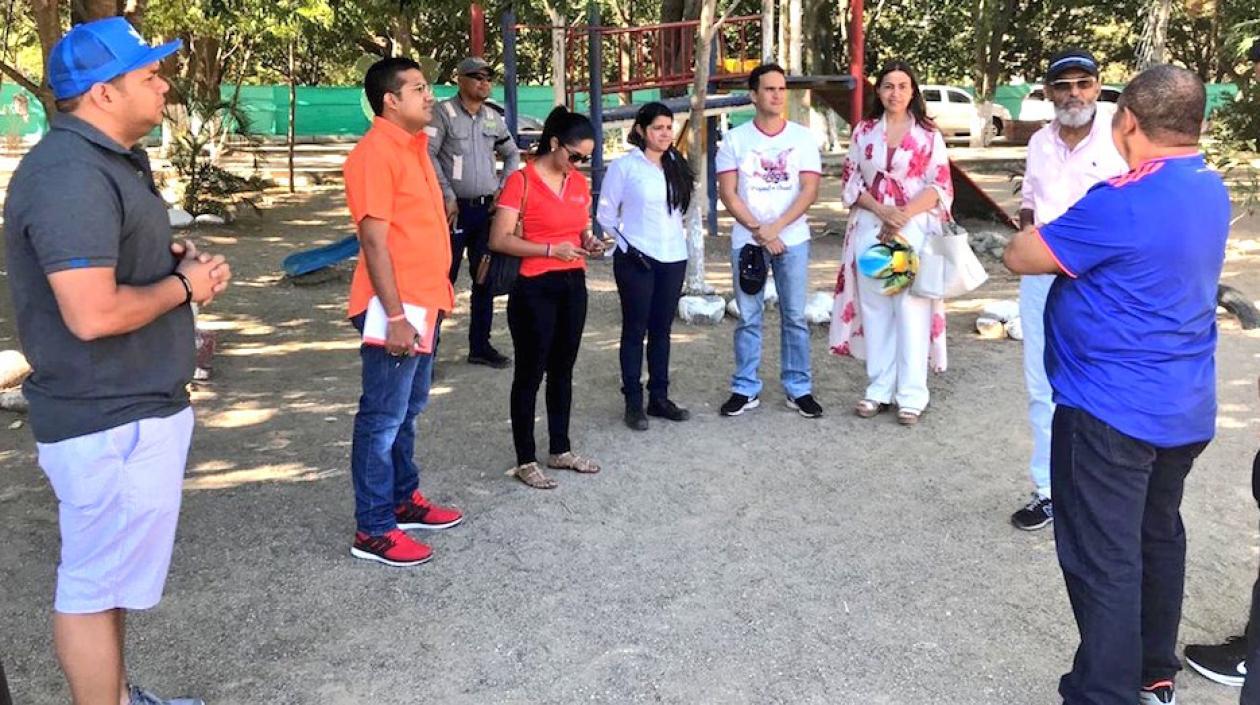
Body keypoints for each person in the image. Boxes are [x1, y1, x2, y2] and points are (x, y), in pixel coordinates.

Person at [2, 18, 231, 705]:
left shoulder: (109, 161)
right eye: (149, 75)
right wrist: (185, 288)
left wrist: (167, 262)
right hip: (105, 419)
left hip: (130, 411)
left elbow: (109, 264)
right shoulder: (69, 175)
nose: (164, 84)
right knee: (91, 588)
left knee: (110, 586)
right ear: (103, 93)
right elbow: (92, 312)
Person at [1003, 64, 1230, 705]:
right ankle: (1153, 675)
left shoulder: (1123, 199)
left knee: (1105, 559)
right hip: (1183, 408)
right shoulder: (1209, 187)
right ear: (1198, 124)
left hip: (1110, 411)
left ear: (1126, 121)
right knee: (1156, 537)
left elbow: (1023, 256)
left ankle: (1104, 693)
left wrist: (1034, 230)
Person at [343, 57, 464, 568]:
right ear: (390, 100)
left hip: (423, 302)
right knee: (382, 417)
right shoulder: (375, 153)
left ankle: (402, 498)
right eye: (418, 88)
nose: (429, 95)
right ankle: (373, 528)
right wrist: (394, 315)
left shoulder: (414, 148)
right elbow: (374, 240)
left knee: (407, 411)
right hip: (396, 308)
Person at [1009, 48, 1128, 531]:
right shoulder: (1039, 142)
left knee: (1108, 381)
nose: (1074, 93)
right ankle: (1049, 490)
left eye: (1083, 83)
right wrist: (1028, 239)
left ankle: (1105, 491)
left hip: (1104, 284)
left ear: (1098, 87)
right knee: (1042, 384)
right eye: (1064, 85)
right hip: (1044, 279)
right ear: (1049, 92)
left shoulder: (1123, 137)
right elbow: (1029, 205)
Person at [829, 60, 952, 426]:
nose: (894, 92)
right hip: (871, 225)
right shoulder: (864, 131)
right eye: (887, 86)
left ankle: (912, 394)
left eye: (902, 85)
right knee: (877, 308)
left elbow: (940, 185)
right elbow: (851, 182)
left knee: (911, 309)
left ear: (912, 90)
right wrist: (883, 212)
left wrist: (902, 215)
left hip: (912, 228)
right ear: (878, 92)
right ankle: (879, 387)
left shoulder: (929, 135)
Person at [490, 106, 605, 489]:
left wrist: (589, 241)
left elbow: (580, 228)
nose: (577, 165)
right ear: (554, 144)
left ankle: (560, 448)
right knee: (529, 372)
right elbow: (499, 239)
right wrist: (549, 250)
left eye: (585, 159)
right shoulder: (520, 183)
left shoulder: (577, 183)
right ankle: (525, 458)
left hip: (572, 283)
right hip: (533, 287)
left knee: (563, 369)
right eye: (574, 156)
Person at [715, 63, 823, 419]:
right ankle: (745, 388)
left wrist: (776, 228)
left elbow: (809, 190)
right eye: (769, 89)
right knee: (748, 316)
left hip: (792, 239)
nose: (777, 95)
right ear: (754, 95)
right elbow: (728, 193)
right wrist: (760, 230)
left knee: (794, 316)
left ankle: (799, 388)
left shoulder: (802, 138)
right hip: (748, 241)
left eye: (781, 89)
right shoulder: (735, 139)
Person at [596, 102, 693, 430]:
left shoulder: (676, 164)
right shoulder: (625, 167)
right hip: (637, 257)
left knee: (662, 330)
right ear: (641, 130)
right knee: (635, 329)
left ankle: (659, 397)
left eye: (669, 127)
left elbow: (682, 210)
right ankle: (633, 401)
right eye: (658, 128)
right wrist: (626, 245)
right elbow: (605, 216)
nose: (665, 133)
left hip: (673, 256)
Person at [428, 56, 521, 369]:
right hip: (454, 212)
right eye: (476, 77)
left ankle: (480, 347)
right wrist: (446, 194)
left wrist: (504, 188)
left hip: (485, 212)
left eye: (487, 77)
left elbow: (511, 154)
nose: (483, 82)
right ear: (460, 80)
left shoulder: (492, 117)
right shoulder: (443, 113)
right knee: (444, 279)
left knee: (485, 278)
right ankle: (428, 352)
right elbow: (426, 155)